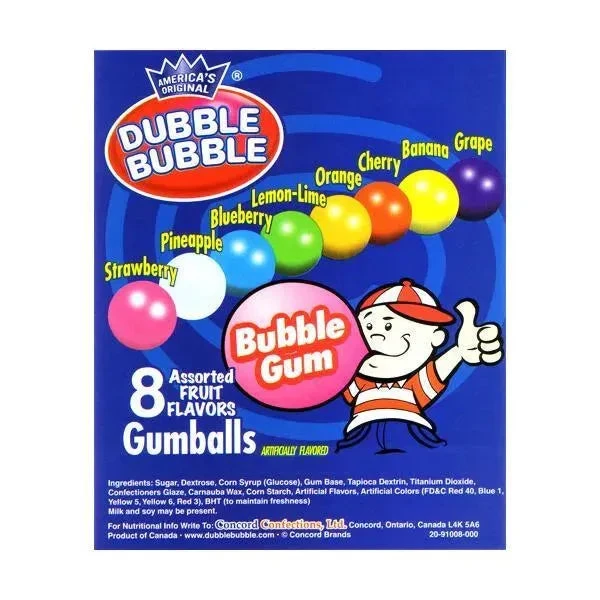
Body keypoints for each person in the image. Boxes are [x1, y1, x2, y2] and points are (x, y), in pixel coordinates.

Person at [337, 279, 503, 454]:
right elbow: (335, 373)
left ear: (436, 338)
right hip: (360, 432)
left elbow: (437, 371)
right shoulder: (355, 378)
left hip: (412, 431)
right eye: (369, 326)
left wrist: (459, 351)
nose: (376, 336)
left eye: (388, 325)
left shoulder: (417, 383)